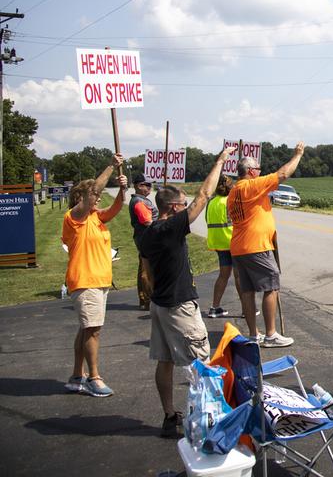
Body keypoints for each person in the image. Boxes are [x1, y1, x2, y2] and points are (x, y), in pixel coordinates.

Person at [140, 146, 235, 438]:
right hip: (179, 305)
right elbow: (204, 196)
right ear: (173, 208)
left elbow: (147, 272)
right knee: (202, 363)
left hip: (160, 304)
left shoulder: (149, 233)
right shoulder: (170, 228)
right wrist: (219, 161)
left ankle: (170, 415)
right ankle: (208, 420)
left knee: (165, 361)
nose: (186, 208)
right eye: (182, 205)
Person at [62, 153, 128, 398]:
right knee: (93, 330)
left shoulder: (97, 218)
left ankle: (76, 376)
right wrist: (111, 165)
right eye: (94, 195)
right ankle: (94, 377)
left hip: (98, 281)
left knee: (86, 329)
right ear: (81, 198)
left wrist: (122, 190)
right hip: (85, 280)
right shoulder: (75, 218)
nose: (98, 198)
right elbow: (92, 195)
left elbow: (117, 208)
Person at [227, 142, 305, 348]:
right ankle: (270, 334)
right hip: (256, 247)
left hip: (239, 246)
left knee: (248, 290)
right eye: (259, 170)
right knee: (271, 285)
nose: (261, 173)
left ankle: (254, 334)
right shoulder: (250, 186)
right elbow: (282, 174)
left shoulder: (234, 191)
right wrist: (297, 155)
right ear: (251, 172)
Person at [206, 174, 245, 318]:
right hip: (232, 241)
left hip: (218, 242)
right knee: (239, 276)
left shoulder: (211, 202)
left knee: (223, 275)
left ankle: (214, 307)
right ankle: (246, 309)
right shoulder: (230, 201)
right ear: (230, 186)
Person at [129, 173, 158, 310]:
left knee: (144, 267)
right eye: (147, 185)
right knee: (146, 270)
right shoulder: (139, 202)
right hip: (147, 238)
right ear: (139, 186)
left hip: (144, 237)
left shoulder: (140, 200)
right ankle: (147, 299)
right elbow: (147, 221)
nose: (150, 187)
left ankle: (144, 299)